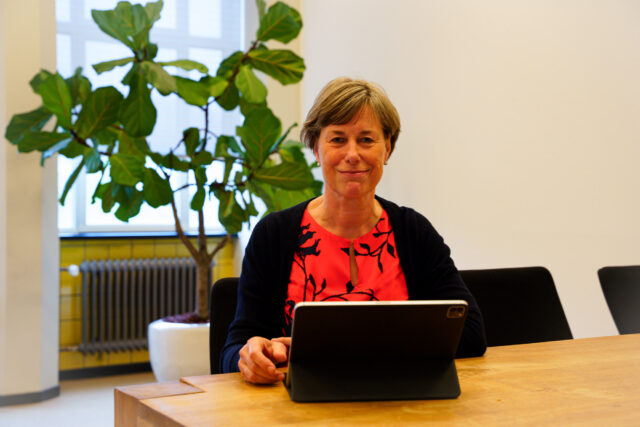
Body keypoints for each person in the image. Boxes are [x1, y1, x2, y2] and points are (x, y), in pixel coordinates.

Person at [220, 77, 487, 383]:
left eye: (366, 140)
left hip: (399, 401)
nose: (352, 154)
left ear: (387, 148)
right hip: (298, 407)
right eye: (337, 139)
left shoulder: (413, 232)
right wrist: (248, 356)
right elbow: (230, 352)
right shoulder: (274, 234)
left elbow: (471, 334)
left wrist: (334, 350)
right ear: (316, 149)